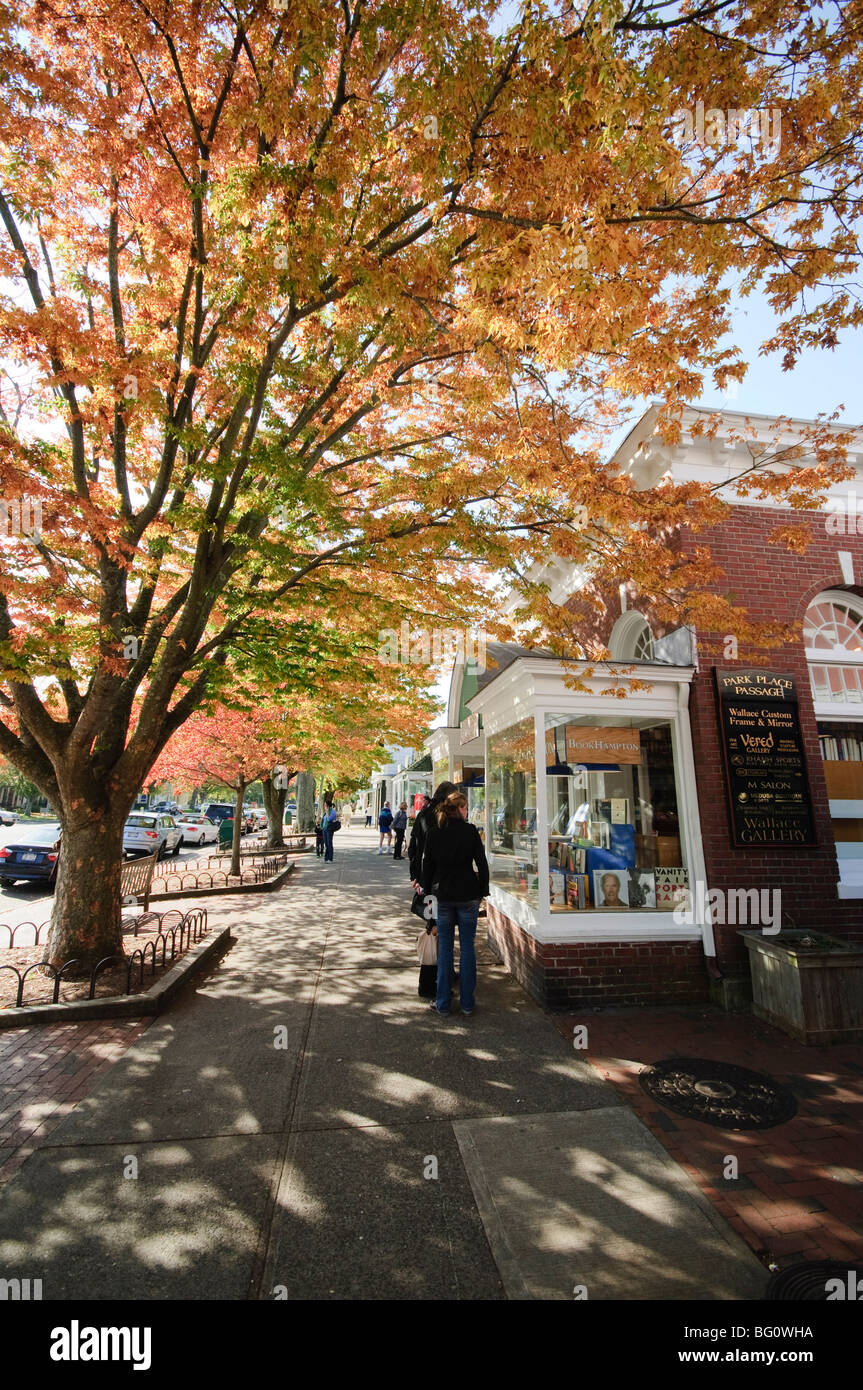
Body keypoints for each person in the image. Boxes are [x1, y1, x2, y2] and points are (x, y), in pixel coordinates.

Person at [422, 790, 489, 1018]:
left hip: (442, 896)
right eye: (465, 807)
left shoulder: (434, 833)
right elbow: (482, 863)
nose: (467, 811)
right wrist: (483, 892)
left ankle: (442, 1003)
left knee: (445, 951)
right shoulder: (470, 832)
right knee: (468, 948)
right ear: (459, 809)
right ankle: (468, 1003)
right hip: (468, 894)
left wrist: (427, 897)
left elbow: (427, 870)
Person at [409, 783, 455, 887]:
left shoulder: (422, 814)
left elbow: (414, 845)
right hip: (443, 875)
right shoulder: (448, 816)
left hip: (424, 871)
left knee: (428, 900)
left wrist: (415, 874)